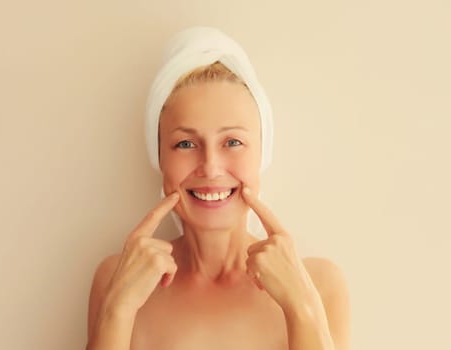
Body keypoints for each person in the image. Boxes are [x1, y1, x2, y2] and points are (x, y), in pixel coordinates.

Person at [86, 27, 350, 350]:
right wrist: (117, 311)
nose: (210, 166)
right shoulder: (116, 278)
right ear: (159, 159)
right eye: (185, 143)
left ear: (262, 154)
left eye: (233, 142)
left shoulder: (320, 284)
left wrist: (303, 311)